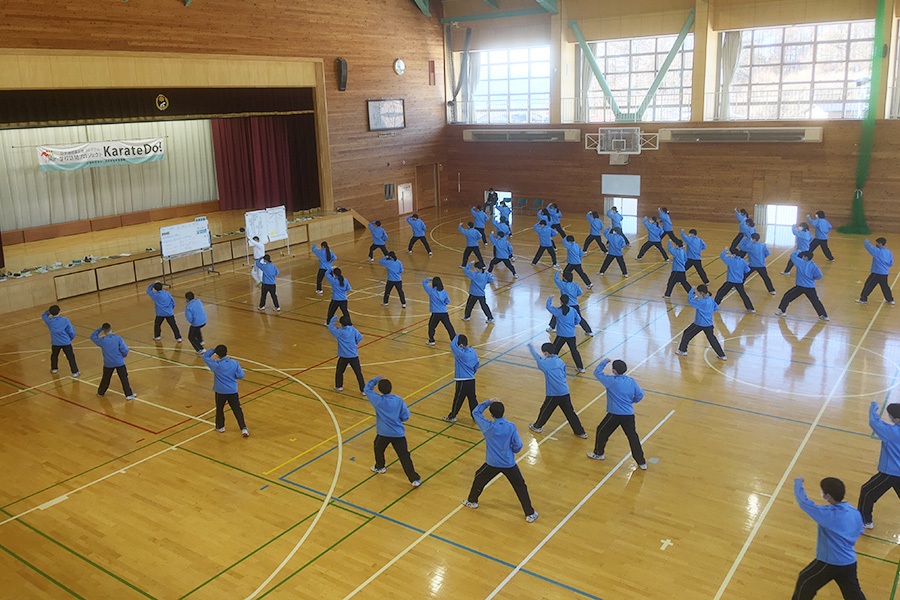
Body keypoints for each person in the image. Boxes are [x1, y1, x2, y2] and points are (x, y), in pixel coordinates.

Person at [463, 399, 538, 523]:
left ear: (491, 414)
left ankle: (472, 501)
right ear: (503, 412)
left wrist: (488, 402)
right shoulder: (511, 426)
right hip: (509, 463)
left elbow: (475, 412)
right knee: (520, 486)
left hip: (492, 463)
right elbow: (518, 445)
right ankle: (530, 513)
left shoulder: (488, 427)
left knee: (479, 477)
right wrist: (512, 450)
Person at [792, 476, 866, 600]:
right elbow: (859, 531)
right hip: (849, 561)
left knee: (805, 582)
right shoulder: (854, 512)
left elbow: (804, 503)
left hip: (831, 562)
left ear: (828, 496)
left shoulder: (828, 514)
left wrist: (798, 483)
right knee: (853, 594)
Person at [587, 358, 646, 469]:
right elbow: (640, 394)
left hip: (614, 414)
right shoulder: (631, 381)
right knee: (633, 437)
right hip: (628, 414)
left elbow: (597, 372)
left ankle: (599, 454)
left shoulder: (611, 381)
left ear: (614, 371)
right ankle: (641, 462)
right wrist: (632, 402)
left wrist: (605, 361)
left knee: (601, 431)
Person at [364, 375, 421, 486]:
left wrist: (376, 379)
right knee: (404, 456)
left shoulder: (378, 401)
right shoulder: (398, 400)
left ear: (380, 390)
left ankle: (380, 466)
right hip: (398, 433)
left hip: (383, 433)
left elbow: (367, 389)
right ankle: (414, 479)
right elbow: (406, 415)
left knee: (378, 447)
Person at [527, 343, 587, 438]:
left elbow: (536, 357)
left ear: (546, 353)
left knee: (545, 410)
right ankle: (581, 432)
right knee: (570, 413)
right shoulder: (560, 362)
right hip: (565, 391)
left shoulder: (545, 364)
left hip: (553, 393)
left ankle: (537, 426)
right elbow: (563, 374)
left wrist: (531, 348)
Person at [858, 401, 900, 531]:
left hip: (891, 472)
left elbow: (874, 423)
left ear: (896, 419)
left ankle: (865, 521)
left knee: (867, 491)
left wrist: (873, 408)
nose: (890, 418)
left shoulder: (892, 432)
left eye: (890, 416)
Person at [203, 345, 249, 437]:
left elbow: (205, 356)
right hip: (232, 390)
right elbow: (241, 375)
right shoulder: (234, 363)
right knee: (237, 409)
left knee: (220, 409)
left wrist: (213, 350)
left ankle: (220, 427)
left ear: (217, 355)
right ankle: (243, 428)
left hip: (220, 391)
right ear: (227, 352)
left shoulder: (216, 365)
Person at [675, 285, 726, 360]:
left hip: (700, 323)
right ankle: (722, 355)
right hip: (709, 323)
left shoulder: (701, 302)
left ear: (701, 292)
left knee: (687, 333)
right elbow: (716, 307)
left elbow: (690, 300)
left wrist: (692, 290)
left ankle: (682, 350)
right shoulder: (711, 300)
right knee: (712, 339)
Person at [776, 251, 828, 321]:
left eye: (803, 256)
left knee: (787, 296)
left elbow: (792, 256)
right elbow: (820, 275)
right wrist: (812, 278)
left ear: (806, 257)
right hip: (810, 287)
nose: (802, 257)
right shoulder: (813, 265)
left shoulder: (800, 262)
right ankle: (824, 315)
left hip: (800, 287)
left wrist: (798, 250)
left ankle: (782, 311)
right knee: (815, 301)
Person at [90, 323, 134, 399]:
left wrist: (100, 329)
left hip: (108, 363)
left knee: (106, 378)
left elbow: (92, 336)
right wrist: (123, 356)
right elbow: (125, 349)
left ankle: (101, 392)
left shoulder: (102, 341)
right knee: (124, 378)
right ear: (111, 329)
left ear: (104, 331)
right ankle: (128, 394)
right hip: (119, 362)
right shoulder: (118, 338)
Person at [443, 334, 480, 422]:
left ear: (461, 346)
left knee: (458, 399)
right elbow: (477, 364)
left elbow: (452, 344)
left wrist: (458, 334)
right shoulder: (472, 351)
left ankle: (452, 416)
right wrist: (472, 373)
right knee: (472, 399)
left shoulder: (460, 354)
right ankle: (476, 417)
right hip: (471, 380)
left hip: (462, 381)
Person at [546, 295, 585, 372]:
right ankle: (580, 367)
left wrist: (550, 298)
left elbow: (548, 307)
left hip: (561, 335)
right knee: (574, 351)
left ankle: (551, 365)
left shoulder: (557, 311)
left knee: (554, 350)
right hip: (571, 334)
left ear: (560, 302)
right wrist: (573, 324)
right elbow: (578, 319)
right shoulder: (573, 310)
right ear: (568, 301)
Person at [329, 315, 365, 395]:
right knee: (358, 373)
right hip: (354, 355)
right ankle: (363, 390)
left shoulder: (340, 332)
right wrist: (355, 344)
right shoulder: (353, 329)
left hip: (344, 356)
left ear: (341, 324)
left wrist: (332, 320)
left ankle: (339, 386)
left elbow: (331, 328)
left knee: (340, 371)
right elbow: (360, 337)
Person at [549, 270, 592, 335]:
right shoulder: (575, 285)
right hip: (575, 304)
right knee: (579, 318)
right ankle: (588, 331)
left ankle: (552, 327)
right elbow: (580, 293)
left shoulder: (563, 285)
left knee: (556, 313)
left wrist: (558, 271)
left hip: (566, 305)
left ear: (565, 279)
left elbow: (556, 279)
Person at [42, 305, 79, 376]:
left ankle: (54, 369)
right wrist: (70, 338)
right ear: (59, 311)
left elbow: (44, 316)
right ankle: (75, 372)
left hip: (55, 342)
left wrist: (48, 312)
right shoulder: (65, 320)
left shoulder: (49, 321)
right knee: (70, 357)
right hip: (66, 342)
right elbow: (71, 331)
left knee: (54, 356)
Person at [714, 248, 755, 313]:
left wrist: (725, 250)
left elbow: (722, 256)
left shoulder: (730, 260)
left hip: (731, 281)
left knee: (721, 293)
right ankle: (750, 308)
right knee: (743, 295)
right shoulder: (743, 261)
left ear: (734, 254)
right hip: (739, 281)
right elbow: (747, 270)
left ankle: (714, 305)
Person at [857, 238, 894, 305]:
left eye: (877, 243)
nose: (876, 244)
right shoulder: (889, 252)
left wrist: (866, 240)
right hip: (884, 273)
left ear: (880, 244)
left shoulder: (877, 251)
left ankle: (863, 299)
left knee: (869, 285)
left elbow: (868, 246)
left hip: (877, 273)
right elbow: (891, 263)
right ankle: (890, 300)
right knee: (885, 287)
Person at [423, 277, 455, 345]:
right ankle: (454, 340)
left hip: (436, 313)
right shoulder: (444, 292)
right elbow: (448, 301)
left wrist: (429, 279)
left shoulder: (431, 291)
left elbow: (424, 283)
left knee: (431, 327)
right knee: (449, 327)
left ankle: (431, 340)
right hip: (444, 312)